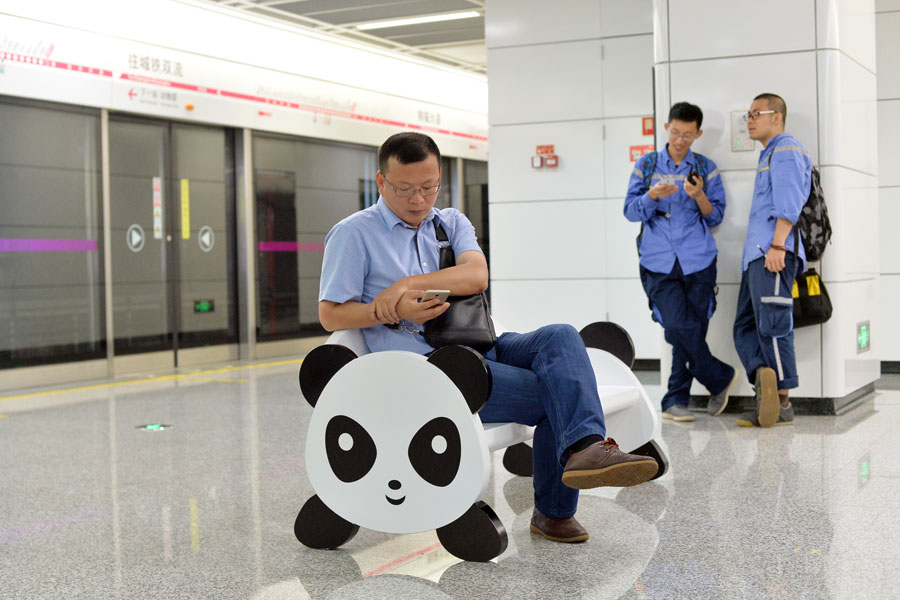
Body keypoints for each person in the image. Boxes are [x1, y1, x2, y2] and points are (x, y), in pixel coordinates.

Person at [318, 132, 659, 544]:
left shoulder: (450, 222)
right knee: (560, 393)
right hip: (429, 371)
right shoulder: (354, 234)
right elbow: (330, 314)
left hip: (481, 344)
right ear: (381, 182)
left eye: (429, 187)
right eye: (404, 189)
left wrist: (407, 283)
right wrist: (386, 309)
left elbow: (476, 275)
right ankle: (556, 509)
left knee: (562, 337)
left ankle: (585, 448)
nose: (418, 199)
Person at [624, 102, 736, 423]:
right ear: (666, 128)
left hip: (698, 260)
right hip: (658, 261)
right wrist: (653, 196)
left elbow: (716, 216)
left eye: (688, 135)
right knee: (677, 326)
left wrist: (699, 195)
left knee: (693, 329)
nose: (680, 140)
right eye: (676, 133)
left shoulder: (705, 167)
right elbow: (630, 211)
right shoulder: (646, 166)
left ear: (697, 134)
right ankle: (719, 377)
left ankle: (675, 399)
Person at [733, 93, 811, 427]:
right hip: (757, 255)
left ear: (775, 116)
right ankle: (763, 379)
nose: (749, 120)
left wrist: (778, 247)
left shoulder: (786, 148)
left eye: (755, 114)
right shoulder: (769, 152)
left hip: (773, 253)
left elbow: (789, 201)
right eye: (747, 115)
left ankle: (781, 401)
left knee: (774, 327)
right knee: (744, 326)